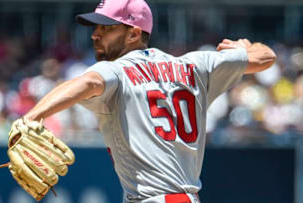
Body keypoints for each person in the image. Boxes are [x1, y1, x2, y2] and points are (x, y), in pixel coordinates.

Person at [23, 0, 276, 202]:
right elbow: (267, 56)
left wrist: (31, 117)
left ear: (133, 33)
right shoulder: (195, 64)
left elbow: (88, 83)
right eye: (95, 27)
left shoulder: (118, 71)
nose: (95, 35)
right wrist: (245, 47)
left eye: (107, 28)